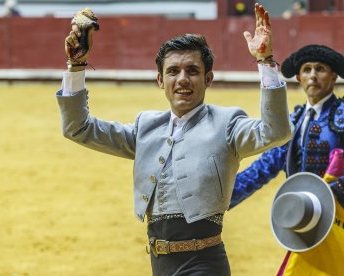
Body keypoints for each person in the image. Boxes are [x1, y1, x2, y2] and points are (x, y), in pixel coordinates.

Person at [57, 3, 292, 275]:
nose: (183, 79)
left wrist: (266, 63)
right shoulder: (146, 127)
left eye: (192, 71)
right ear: (160, 80)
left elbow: (276, 131)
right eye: (173, 71)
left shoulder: (227, 124)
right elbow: (78, 128)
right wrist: (76, 66)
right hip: (160, 264)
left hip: (205, 264)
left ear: (208, 78)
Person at [229, 44, 344, 275]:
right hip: (301, 217)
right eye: (307, 70)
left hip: (337, 219)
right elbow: (265, 166)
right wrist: (222, 196)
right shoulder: (293, 121)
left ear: (333, 75)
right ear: (298, 77)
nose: (313, 75)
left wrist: (331, 194)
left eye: (320, 69)